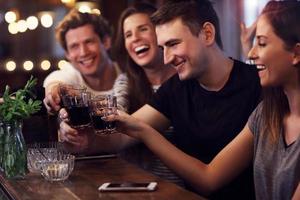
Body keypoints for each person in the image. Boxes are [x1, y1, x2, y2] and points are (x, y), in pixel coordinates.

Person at [105, 1, 300, 199]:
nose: (251, 53)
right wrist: (139, 130)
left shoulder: (261, 93)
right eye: (163, 48)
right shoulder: (265, 113)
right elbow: (209, 178)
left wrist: (143, 131)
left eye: (262, 42)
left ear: (207, 34)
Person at [58, 3, 183, 185]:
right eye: (128, 35)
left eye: (143, 29)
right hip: (139, 186)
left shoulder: (186, 79)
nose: (135, 39)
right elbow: (114, 118)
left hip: (185, 189)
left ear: (161, 32)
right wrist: (79, 136)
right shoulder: (125, 82)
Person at [43, 9, 121, 115]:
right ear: (67, 54)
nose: (83, 52)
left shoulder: (129, 72)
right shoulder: (69, 74)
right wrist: (54, 94)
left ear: (106, 42)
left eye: (89, 42)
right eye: (74, 46)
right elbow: (55, 83)